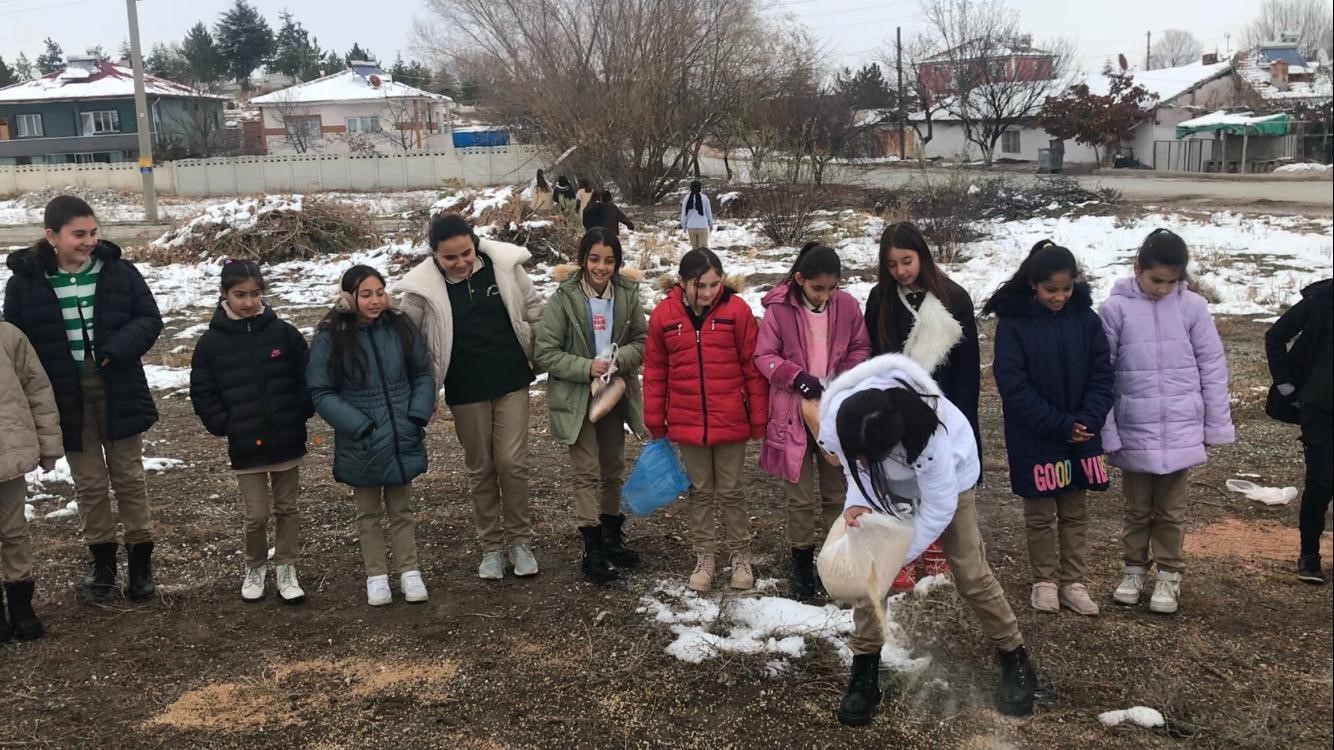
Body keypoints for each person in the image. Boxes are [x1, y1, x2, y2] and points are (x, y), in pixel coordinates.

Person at [816, 353, 1036, 726]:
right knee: (869, 573)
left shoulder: (932, 436)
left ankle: (1013, 653)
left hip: (953, 482)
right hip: (886, 488)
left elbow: (938, 507)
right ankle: (865, 666)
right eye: (860, 456)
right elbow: (858, 473)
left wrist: (898, 553)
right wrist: (857, 506)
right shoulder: (840, 420)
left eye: (874, 456)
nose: (864, 462)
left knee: (970, 571)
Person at [3, 195, 163, 603]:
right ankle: (104, 567)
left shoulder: (119, 272)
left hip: (117, 385)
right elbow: (18, 343)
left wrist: (116, 349)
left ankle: (141, 565)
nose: (90, 241)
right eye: (79, 234)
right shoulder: (25, 283)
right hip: (65, 395)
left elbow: (149, 318)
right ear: (51, 236)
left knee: (128, 476)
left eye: (93, 232)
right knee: (89, 482)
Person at [397, 214, 544, 580]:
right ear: (434, 256)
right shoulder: (422, 291)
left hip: (511, 379)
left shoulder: (505, 269)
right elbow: (401, 334)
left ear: (475, 244)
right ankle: (491, 547)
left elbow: (535, 312)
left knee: (512, 463)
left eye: (466, 253)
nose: (461, 262)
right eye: (450, 258)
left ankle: (521, 542)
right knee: (481, 468)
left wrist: (543, 356)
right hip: (465, 389)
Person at [1100, 229, 1234, 614]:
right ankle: (1132, 570)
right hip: (1135, 427)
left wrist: (1214, 424)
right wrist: (1108, 429)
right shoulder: (1114, 310)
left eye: (1171, 281)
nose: (1162, 288)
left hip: (1180, 427)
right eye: (1156, 279)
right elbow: (1102, 373)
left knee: (1173, 510)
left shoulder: (1192, 308)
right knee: (1137, 509)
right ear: (1138, 269)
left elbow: (1212, 365)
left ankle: (1169, 576)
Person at [983, 241, 1114, 616]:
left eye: (1066, 289)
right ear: (1034, 286)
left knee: (1074, 510)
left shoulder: (1087, 321)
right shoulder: (1014, 325)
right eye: (1051, 290)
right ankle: (1045, 580)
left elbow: (1103, 375)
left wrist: (1088, 419)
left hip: (1082, 436)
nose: (1059, 297)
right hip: (1036, 437)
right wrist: (1059, 424)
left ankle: (1073, 580)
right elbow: (1012, 384)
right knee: (1040, 513)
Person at [189, 260, 314, 604]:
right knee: (256, 514)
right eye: (240, 294)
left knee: (288, 508)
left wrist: (303, 409)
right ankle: (255, 565)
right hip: (245, 444)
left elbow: (307, 375)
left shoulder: (283, 333)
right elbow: (202, 390)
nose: (248, 301)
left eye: (254, 294)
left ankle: (287, 566)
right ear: (224, 294)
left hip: (287, 437)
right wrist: (223, 423)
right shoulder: (210, 343)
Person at [308, 265, 434, 607]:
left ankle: (410, 571)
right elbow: (321, 390)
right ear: (349, 297)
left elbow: (422, 372)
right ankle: (376, 575)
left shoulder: (400, 327)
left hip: (400, 434)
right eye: (366, 294)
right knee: (368, 512)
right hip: (361, 439)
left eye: (379, 292)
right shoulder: (331, 335)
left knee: (402, 508)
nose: (375, 300)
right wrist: (359, 425)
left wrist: (417, 415)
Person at [643, 248, 768, 591]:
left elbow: (752, 369)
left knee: (731, 490)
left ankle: (740, 555)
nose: (709, 292)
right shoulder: (663, 317)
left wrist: (758, 418)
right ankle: (705, 555)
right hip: (687, 420)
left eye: (715, 284)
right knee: (700, 491)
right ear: (682, 283)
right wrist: (656, 421)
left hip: (730, 418)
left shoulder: (737, 312)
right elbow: (655, 372)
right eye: (701, 286)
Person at [754, 242, 870, 599]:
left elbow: (861, 348)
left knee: (837, 490)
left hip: (834, 411)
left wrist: (843, 378)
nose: (825, 295)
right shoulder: (779, 311)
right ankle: (801, 561)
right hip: (793, 414)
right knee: (800, 496)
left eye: (832, 288)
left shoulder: (848, 307)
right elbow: (764, 355)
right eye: (818, 288)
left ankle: (835, 557)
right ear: (800, 280)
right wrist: (795, 375)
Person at [534, 228, 648, 584]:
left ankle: (613, 537)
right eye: (595, 259)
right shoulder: (563, 299)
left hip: (614, 392)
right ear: (583, 260)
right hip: (577, 396)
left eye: (610, 260)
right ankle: (592, 547)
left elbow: (641, 341)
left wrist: (619, 358)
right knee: (586, 470)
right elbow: (545, 353)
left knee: (613, 466)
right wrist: (586, 367)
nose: (602, 267)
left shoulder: (627, 295)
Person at [864, 221, 975, 585]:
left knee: (937, 477)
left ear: (922, 256)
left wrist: (960, 418)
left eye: (907, 261)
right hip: (896, 406)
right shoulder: (880, 299)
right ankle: (904, 549)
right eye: (892, 265)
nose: (900, 271)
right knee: (901, 480)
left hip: (943, 405)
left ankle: (935, 545)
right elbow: (876, 359)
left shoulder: (954, 298)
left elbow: (966, 368)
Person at [1263, 278, 1332, 585]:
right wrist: (1286, 386)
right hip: (1319, 409)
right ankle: (1309, 556)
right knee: (1322, 481)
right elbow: (1276, 336)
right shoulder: (1320, 302)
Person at [0, 320, 62, 641]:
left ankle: (21, 605)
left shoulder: (9, 336)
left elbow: (37, 389)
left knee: (13, 531)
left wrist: (48, 444)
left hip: (8, 454)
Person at [680, 181, 714, 250]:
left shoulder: (686, 198)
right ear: (700, 188)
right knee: (703, 250)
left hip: (691, 226)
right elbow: (708, 213)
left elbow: (684, 214)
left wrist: (684, 226)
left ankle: (695, 260)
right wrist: (711, 225)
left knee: (694, 250)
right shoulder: (704, 198)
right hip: (702, 226)